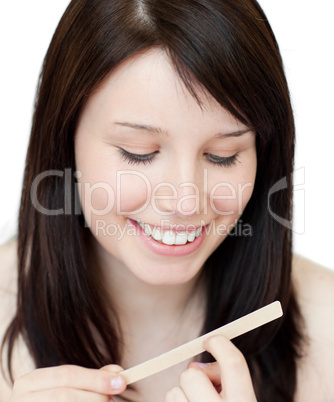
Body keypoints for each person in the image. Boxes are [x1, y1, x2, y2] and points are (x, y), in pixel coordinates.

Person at [0, 0, 333, 401]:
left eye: (222, 156)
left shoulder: (326, 328)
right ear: (64, 139)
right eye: (139, 152)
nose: (185, 202)